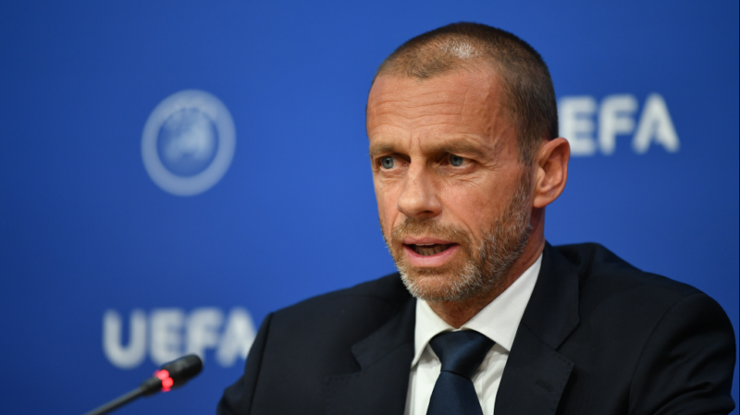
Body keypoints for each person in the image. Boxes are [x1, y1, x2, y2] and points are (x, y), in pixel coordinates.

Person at [218, 22, 736, 415]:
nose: (413, 201)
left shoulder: (656, 341)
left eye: (454, 160)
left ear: (546, 173)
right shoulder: (292, 351)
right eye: (390, 162)